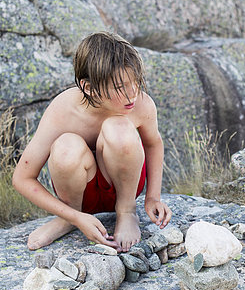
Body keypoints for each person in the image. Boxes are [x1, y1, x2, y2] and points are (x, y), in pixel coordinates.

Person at [12, 31, 172, 253]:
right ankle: (67, 219)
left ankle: (126, 212)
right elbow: (22, 178)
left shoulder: (141, 106)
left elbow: (154, 143)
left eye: (135, 81)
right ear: (88, 88)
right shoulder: (63, 109)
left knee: (118, 127)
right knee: (66, 145)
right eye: (119, 87)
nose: (132, 93)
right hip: (79, 196)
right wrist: (74, 216)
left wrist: (153, 197)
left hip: (124, 187)